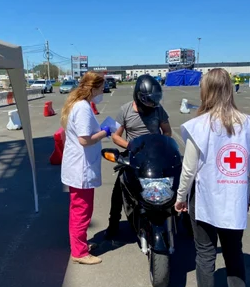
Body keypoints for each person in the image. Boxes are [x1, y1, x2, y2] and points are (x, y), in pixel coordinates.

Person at [174, 69, 250, 287]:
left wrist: (181, 196)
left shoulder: (199, 125)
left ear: (205, 91)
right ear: (229, 88)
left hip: (205, 199)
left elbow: (189, 168)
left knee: (204, 252)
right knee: (233, 250)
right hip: (235, 198)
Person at [104, 74, 172, 239]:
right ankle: (113, 224)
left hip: (156, 154)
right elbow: (116, 136)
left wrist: (163, 144)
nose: (151, 105)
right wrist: (130, 146)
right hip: (134, 155)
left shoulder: (158, 109)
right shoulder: (125, 110)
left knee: (174, 185)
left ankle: (183, 221)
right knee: (119, 189)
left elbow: (167, 131)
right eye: (148, 101)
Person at [61, 71, 112, 265]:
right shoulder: (82, 107)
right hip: (80, 168)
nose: (103, 92)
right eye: (101, 88)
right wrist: (105, 132)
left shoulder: (78, 104)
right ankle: (80, 253)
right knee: (81, 210)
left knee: (80, 209)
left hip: (78, 166)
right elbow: (84, 139)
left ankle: (79, 245)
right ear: (94, 88)